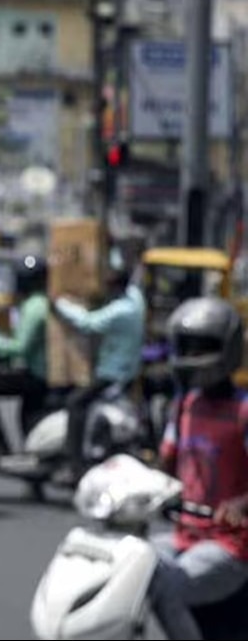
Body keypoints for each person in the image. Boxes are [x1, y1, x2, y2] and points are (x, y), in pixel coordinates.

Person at [147, 297, 248, 640]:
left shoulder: (243, 412)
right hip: (184, 534)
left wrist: (240, 504)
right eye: (185, 347)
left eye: (200, 347)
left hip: (231, 545)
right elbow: (167, 466)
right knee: (128, 563)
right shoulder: (184, 406)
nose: (190, 356)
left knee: (167, 586)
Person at [53, 263, 145, 482]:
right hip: (125, 371)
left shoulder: (121, 310)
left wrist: (60, 303)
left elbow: (87, 323)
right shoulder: (136, 299)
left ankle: (75, 464)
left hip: (113, 374)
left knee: (76, 403)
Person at [0, 254, 49, 438]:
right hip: (36, 371)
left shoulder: (34, 307)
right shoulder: (38, 303)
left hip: (37, 375)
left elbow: (20, 348)